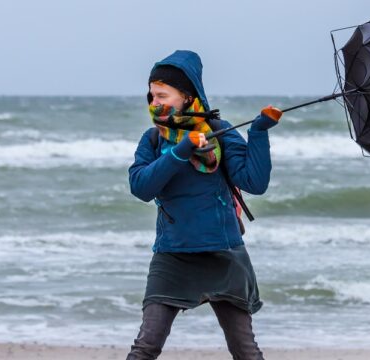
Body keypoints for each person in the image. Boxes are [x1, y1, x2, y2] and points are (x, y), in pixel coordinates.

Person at [126, 50, 282, 360]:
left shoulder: (220, 133)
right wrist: (181, 150)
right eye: (151, 95)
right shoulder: (154, 139)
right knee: (145, 348)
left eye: (162, 95)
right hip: (173, 254)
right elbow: (142, 187)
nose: (154, 102)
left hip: (222, 253)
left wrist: (258, 133)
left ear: (185, 96)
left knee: (245, 351)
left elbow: (255, 182)